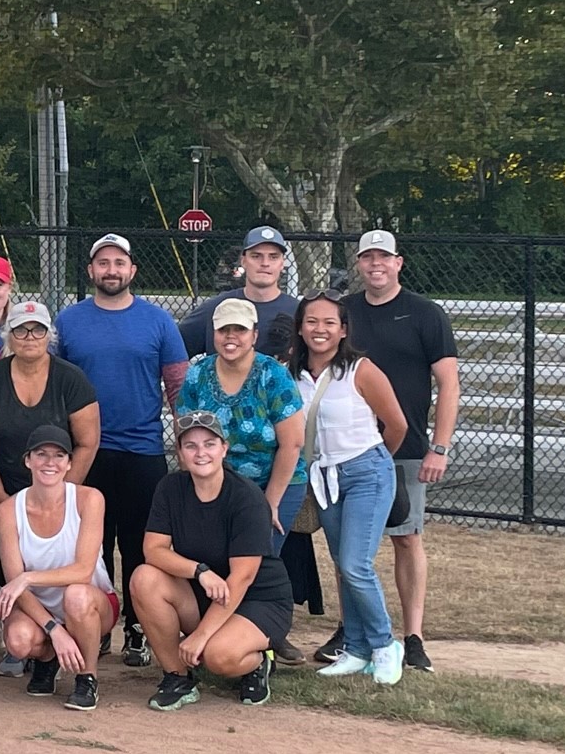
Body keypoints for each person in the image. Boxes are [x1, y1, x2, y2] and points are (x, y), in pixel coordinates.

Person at [51, 233, 189, 669]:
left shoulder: (158, 321)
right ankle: (95, 622)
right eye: (103, 263)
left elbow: (178, 385)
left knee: (139, 544)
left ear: (132, 270)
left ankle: (136, 627)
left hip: (143, 449)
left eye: (119, 263)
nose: (111, 270)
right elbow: (50, 381)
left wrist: (185, 442)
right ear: (91, 271)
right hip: (87, 452)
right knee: (88, 546)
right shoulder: (69, 321)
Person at [331, 228, 461, 674]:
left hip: (403, 447)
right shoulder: (344, 312)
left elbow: (449, 384)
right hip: (348, 446)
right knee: (348, 545)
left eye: (383, 258)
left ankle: (413, 635)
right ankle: (353, 630)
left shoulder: (425, 314)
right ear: (359, 264)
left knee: (406, 538)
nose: (375, 265)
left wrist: (438, 448)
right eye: (367, 258)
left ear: (398, 262)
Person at [173, 296, 309, 664]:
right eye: (223, 330)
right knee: (219, 556)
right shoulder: (199, 374)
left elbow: (292, 442)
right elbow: (185, 433)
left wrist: (270, 503)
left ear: (254, 334)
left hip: (273, 480)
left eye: (239, 329)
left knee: (259, 562)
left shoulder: (271, 374)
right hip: (216, 483)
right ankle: (223, 634)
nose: (230, 337)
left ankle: (267, 634)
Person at [130, 412, 295, 711]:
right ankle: (177, 677)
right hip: (205, 590)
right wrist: (199, 571)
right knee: (144, 578)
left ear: (224, 448)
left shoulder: (246, 496)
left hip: (256, 597)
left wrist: (201, 636)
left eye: (209, 444)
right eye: (190, 446)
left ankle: (259, 661)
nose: (200, 452)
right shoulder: (171, 488)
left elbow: (242, 577)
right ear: (179, 452)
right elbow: (153, 550)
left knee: (218, 657)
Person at [0, 297, 99, 674]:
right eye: (21, 329)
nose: (29, 336)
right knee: (3, 562)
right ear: (8, 335)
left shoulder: (70, 378)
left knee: (61, 566)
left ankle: (81, 635)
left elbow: (87, 442)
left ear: (49, 335)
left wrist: (63, 496)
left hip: (56, 489)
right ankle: (26, 637)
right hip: (4, 487)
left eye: (38, 329)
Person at [290, 293, 409, 685]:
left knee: (357, 564)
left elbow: (397, 426)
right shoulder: (290, 372)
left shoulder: (360, 370)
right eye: (311, 321)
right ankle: (356, 648)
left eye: (328, 323)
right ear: (300, 326)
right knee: (343, 565)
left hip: (365, 471)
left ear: (343, 330)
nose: (319, 330)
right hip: (324, 477)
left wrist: (372, 463)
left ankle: (385, 644)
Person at [0, 425, 118, 710]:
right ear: (28, 460)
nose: (50, 463)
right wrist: (54, 629)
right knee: (18, 641)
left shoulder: (89, 499)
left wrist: (28, 577)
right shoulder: (9, 510)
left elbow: (83, 571)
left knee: (76, 594)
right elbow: (14, 584)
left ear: (70, 463)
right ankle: (48, 660)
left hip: (93, 604)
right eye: (41, 454)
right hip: (39, 609)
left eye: (59, 455)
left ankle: (87, 677)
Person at [179, 226, 301, 358]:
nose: (265, 263)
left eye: (273, 257)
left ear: (282, 263)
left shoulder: (300, 312)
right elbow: (173, 351)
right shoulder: (218, 307)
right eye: (256, 256)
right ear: (243, 261)